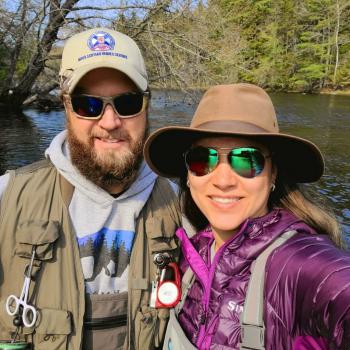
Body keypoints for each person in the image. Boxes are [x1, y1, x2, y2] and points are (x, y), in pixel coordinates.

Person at [0, 28, 182, 350]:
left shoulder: (184, 208)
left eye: (127, 102)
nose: (110, 121)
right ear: (66, 106)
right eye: (88, 105)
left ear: (147, 104)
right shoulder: (8, 197)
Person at [144, 83, 350, 349]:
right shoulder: (189, 256)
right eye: (202, 159)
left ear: (273, 173)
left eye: (247, 160)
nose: (223, 180)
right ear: (188, 174)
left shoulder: (301, 265)